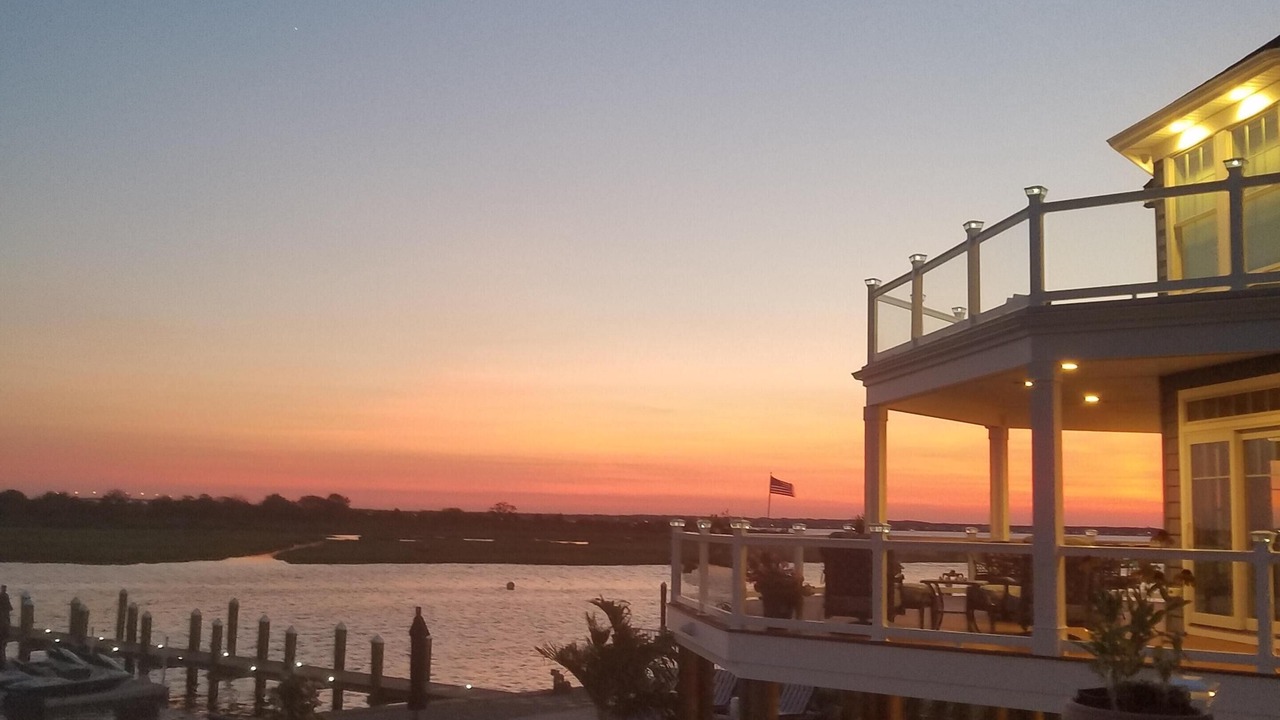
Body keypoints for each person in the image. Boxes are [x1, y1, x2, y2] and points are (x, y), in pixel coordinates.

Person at [0, 584, 12, 668]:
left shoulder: (4, 596)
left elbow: (8, 607)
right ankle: (2, 662)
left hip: (4, 627)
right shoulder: (3, 596)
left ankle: (3, 662)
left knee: (2, 645)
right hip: (3, 626)